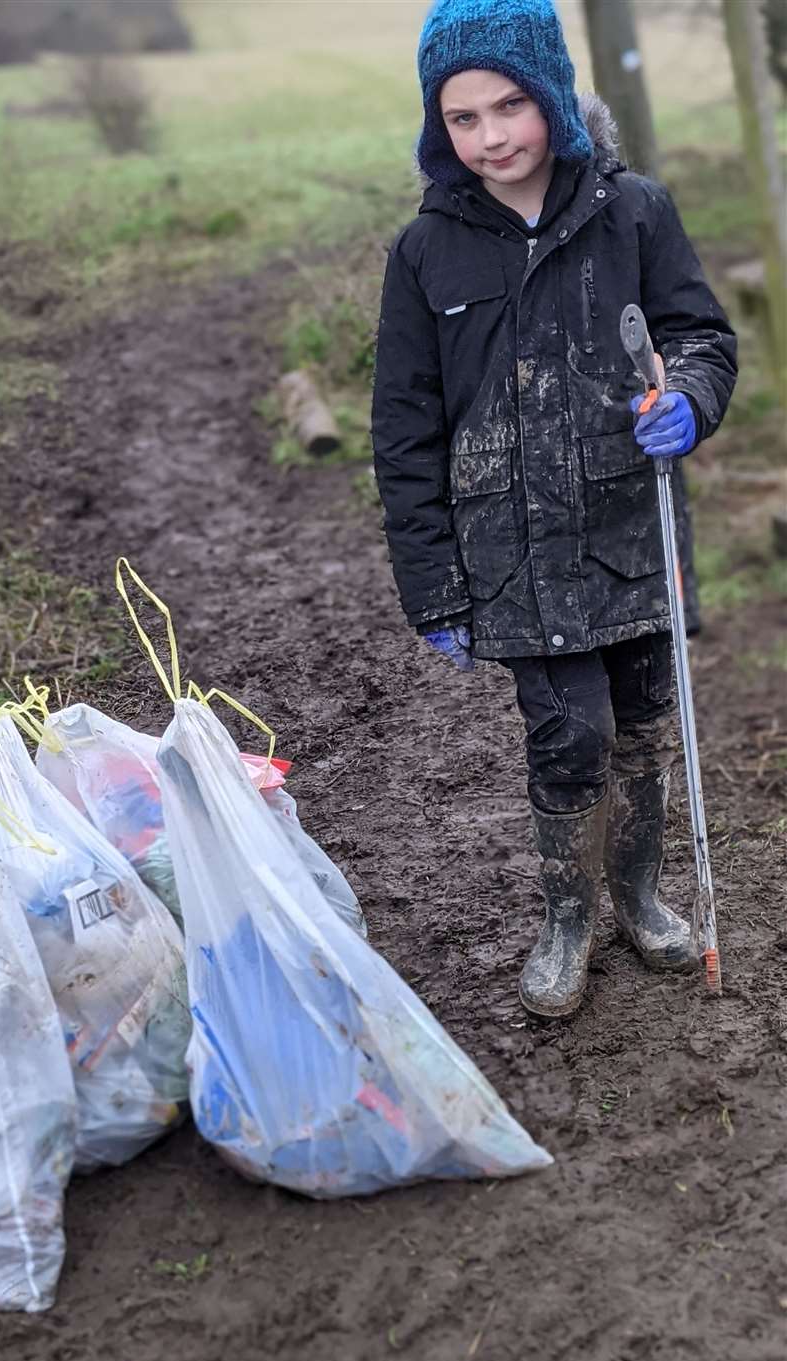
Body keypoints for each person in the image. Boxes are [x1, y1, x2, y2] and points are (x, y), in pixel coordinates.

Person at [371, 0, 737, 1018]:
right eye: (463, 119)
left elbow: (701, 335)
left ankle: (641, 896)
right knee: (566, 735)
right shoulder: (424, 254)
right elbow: (403, 433)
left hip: (631, 534)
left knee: (640, 728)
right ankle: (569, 915)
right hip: (514, 556)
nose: (491, 138)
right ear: (436, 128)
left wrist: (691, 402)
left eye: (510, 107)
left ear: (555, 100)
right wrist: (433, 583)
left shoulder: (635, 212)